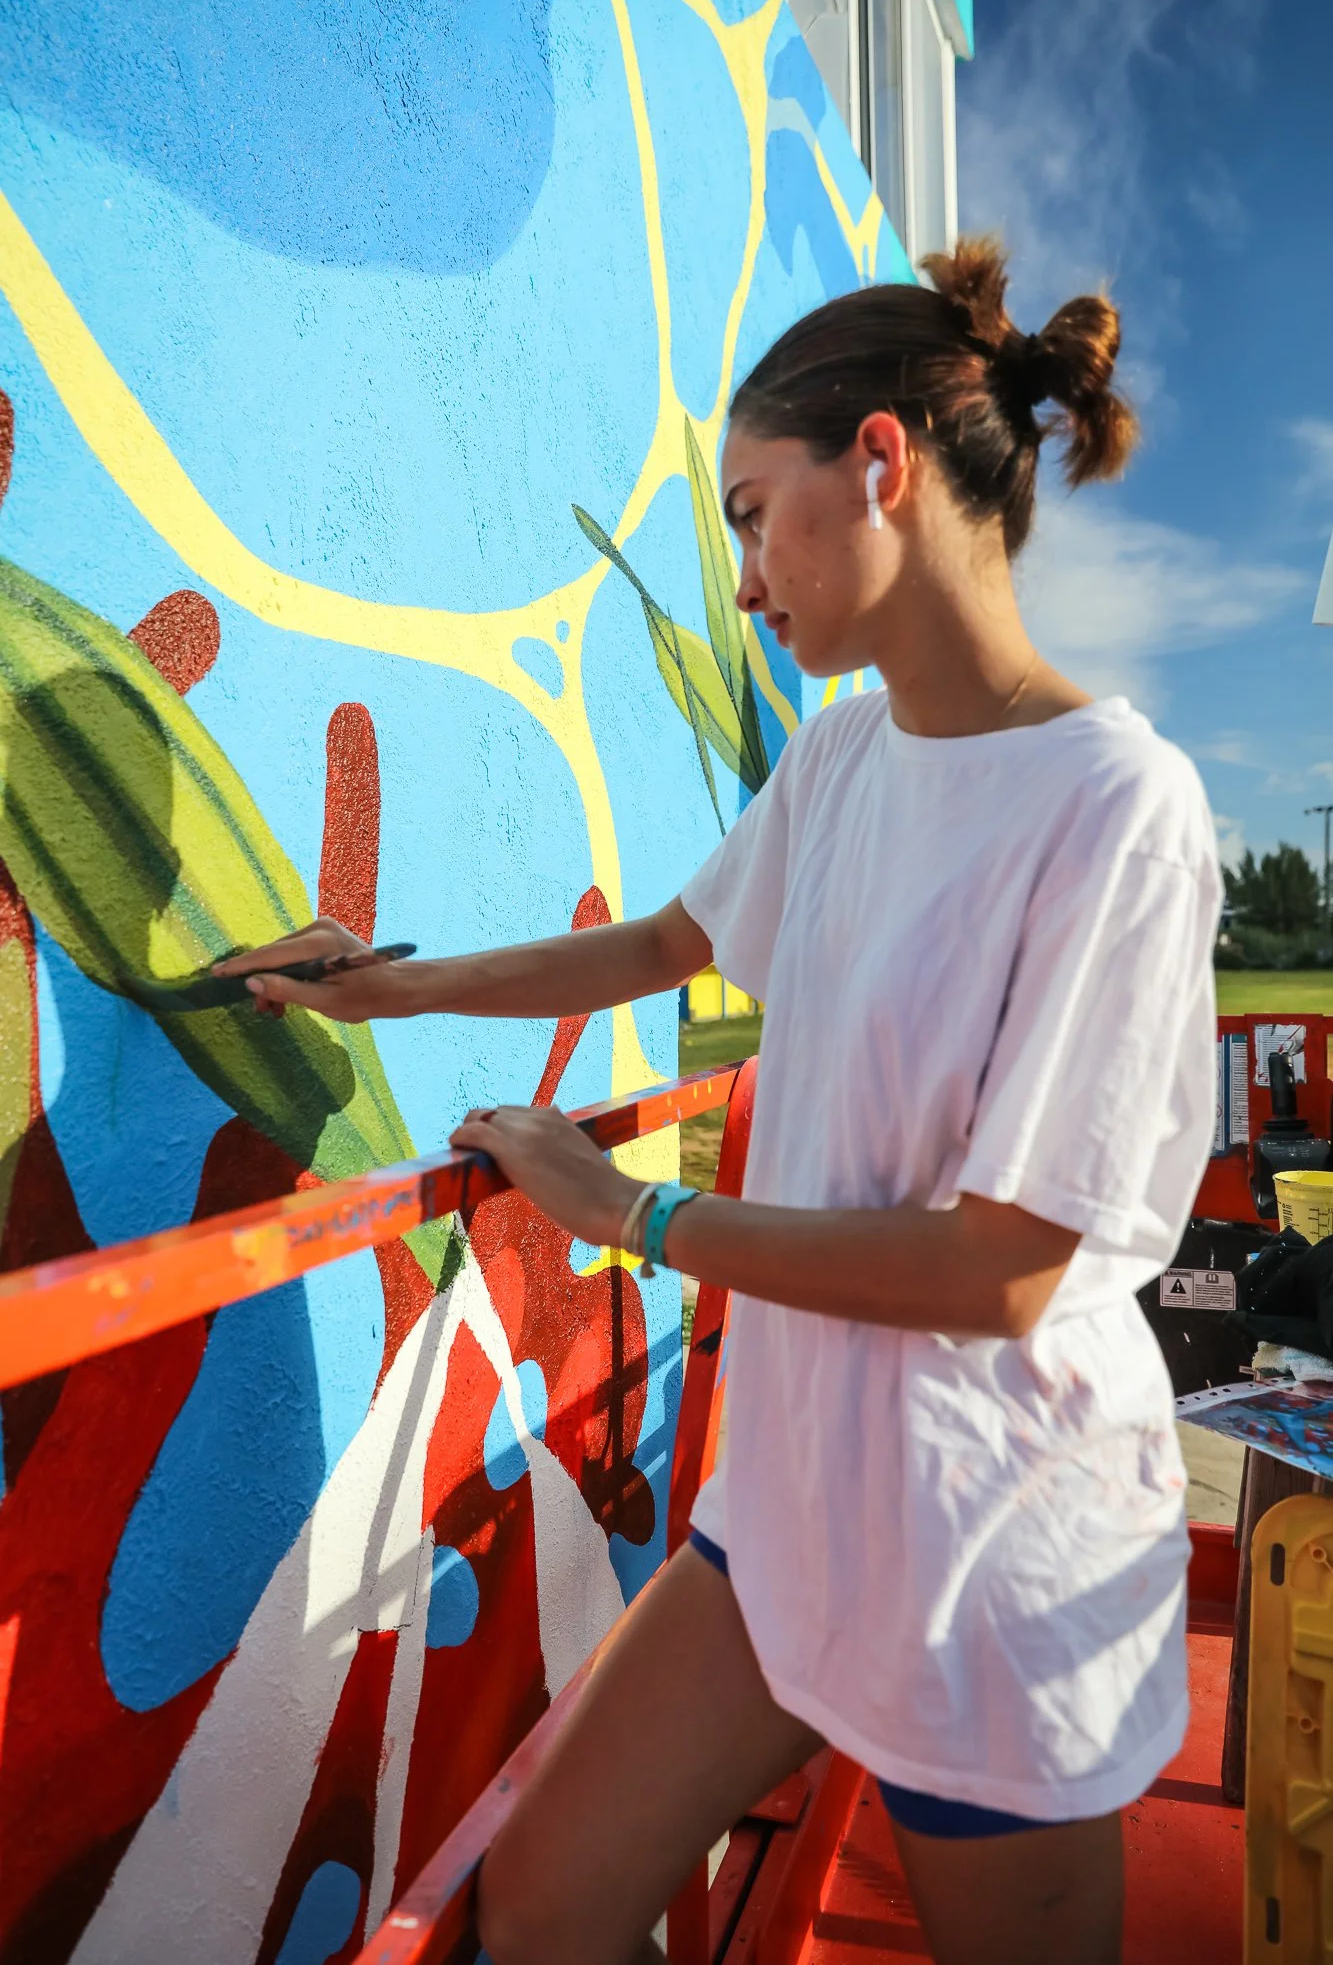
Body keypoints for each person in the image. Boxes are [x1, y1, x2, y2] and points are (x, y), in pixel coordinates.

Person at [220, 237, 1221, 1965]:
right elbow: (667, 942)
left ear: (883, 468)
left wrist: (634, 1216)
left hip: (998, 1556)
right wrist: (390, 982)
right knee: (542, 1910)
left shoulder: (1117, 806)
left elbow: (1001, 1269)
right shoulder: (839, 758)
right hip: (797, 1510)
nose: (746, 578)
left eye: (756, 513)